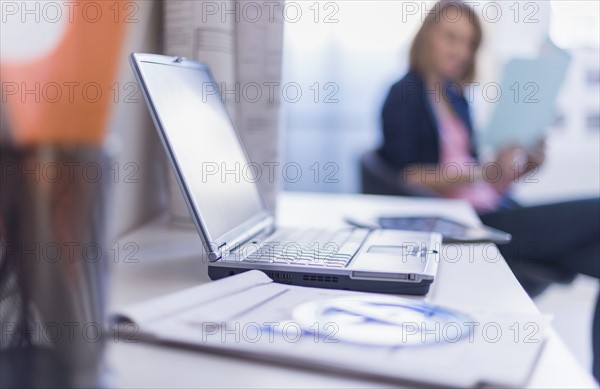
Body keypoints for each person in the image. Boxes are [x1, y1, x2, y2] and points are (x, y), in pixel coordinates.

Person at [378, 0, 600, 380]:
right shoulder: (404, 94)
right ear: (426, 36)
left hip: (493, 208)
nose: (460, 51)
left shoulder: (456, 98)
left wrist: (521, 166)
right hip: (468, 224)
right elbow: (408, 175)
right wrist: (481, 172)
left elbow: (485, 179)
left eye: (468, 43)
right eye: (451, 38)